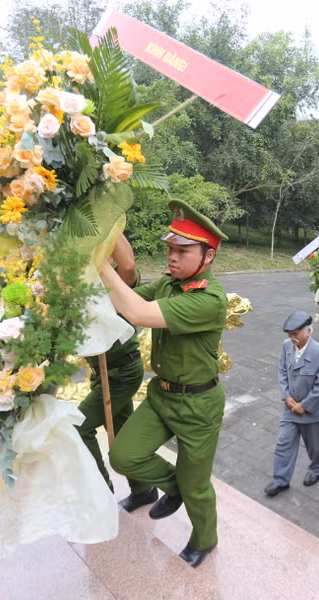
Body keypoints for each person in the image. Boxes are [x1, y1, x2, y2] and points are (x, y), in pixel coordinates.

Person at [100, 199, 228, 568]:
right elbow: (122, 301)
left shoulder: (209, 299)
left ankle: (205, 538)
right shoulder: (170, 285)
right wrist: (106, 241)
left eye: (182, 251)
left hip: (198, 407)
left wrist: (98, 266)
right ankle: (175, 487)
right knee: (123, 456)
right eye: (170, 248)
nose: (172, 257)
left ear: (208, 257)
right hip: (162, 395)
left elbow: (138, 313)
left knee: (198, 486)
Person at [76, 235, 155, 512]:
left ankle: (101, 491)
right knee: (121, 431)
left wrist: (107, 220)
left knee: (79, 426)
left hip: (122, 371)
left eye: (102, 253)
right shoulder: (78, 288)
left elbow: (129, 264)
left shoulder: (116, 288)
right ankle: (144, 490)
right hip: (103, 374)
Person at [265, 311, 319, 497]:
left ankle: (316, 469)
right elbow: (282, 371)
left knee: (316, 447)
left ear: (308, 331)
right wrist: (286, 396)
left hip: (312, 412)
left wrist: (304, 406)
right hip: (290, 408)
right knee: (283, 444)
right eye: (290, 334)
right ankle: (280, 480)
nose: (292, 338)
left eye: (296, 334)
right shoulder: (287, 346)